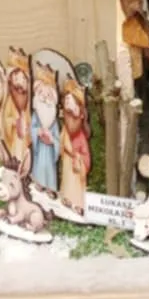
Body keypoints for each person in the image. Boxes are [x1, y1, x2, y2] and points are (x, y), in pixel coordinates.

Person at [58, 76, 92, 215]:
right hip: (68, 159)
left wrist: (77, 156)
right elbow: (63, 138)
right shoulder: (67, 123)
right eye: (66, 100)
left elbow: (83, 150)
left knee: (76, 181)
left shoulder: (79, 129)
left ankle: (78, 203)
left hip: (77, 160)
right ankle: (66, 197)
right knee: (67, 178)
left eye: (70, 100)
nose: (67, 102)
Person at [29, 59, 60, 195]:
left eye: (48, 95)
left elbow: (58, 137)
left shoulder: (53, 119)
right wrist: (38, 132)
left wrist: (52, 140)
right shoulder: (36, 115)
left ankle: (50, 188)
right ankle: (39, 184)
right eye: (41, 94)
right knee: (39, 166)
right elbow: (32, 129)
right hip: (39, 148)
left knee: (49, 168)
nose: (45, 98)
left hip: (49, 149)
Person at [2, 47, 33, 177]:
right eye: (16, 79)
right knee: (16, 154)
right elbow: (5, 119)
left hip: (25, 136)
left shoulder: (29, 101)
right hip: (15, 137)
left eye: (23, 79)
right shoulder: (10, 101)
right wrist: (14, 123)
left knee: (26, 153)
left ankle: (26, 168)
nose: (20, 83)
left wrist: (28, 125)